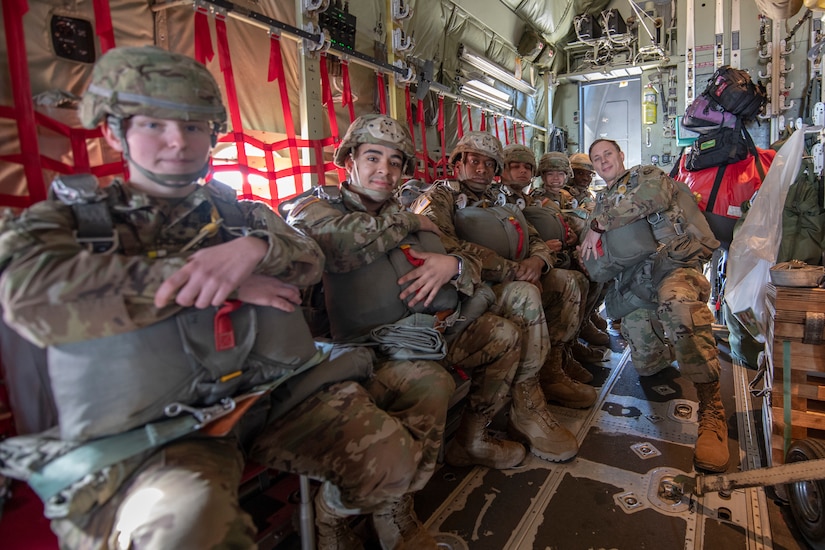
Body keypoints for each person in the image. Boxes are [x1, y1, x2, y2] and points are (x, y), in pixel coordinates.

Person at [0, 46, 428, 550]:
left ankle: (335, 521)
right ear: (115, 131)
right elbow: (28, 295)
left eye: (195, 126)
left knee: (393, 460)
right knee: (188, 528)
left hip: (266, 392)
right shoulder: (67, 222)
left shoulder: (238, 214)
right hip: (155, 429)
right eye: (154, 125)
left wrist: (253, 248)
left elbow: (308, 257)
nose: (178, 141)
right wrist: (213, 280)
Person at [286, 114, 526, 478]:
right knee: (430, 381)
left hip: (423, 333)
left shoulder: (401, 211)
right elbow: (338, 245)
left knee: (503, 334)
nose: (385, 169)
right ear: (349, 161)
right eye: (373, 158)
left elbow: (467, 262)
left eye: (394, 162)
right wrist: (409, 221)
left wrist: (454, 266)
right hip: (361, 350)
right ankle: (385, 510)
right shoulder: (314, 209)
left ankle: (471, 439)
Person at [411, 132, 582, 463]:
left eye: (489, 164)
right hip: (467, 293)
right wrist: (512, 270)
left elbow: (531, 235)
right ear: (457, 162)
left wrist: (539, 260)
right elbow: (443, 247)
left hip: (511, 277)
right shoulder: (440, 198)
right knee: (524, 296)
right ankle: (527, 406)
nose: (481, 169)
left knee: (565, 282)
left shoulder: (501, 196)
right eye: (473, 161)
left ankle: (552, 369)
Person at [581, 138, 728, 473]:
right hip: (637, 281)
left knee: (677, 307)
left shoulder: (645, 176)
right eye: (596, 158)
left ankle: (711, 409)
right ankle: (677, 343)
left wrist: (599, 225)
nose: (603, 161)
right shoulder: (599, 203)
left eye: (608, 154)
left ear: (621, 155)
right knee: (647, 366)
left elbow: (655, 197)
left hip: (673, 266)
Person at [495, 145, 599, 387]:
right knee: (569, 281)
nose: (522, 172)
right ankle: (540, 375)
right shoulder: (495, 199)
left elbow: (535, 234)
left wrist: (559, 243)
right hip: (507, 272)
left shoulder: (527, 199)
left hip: (534, 264)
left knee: (584, 276)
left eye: (526, 167)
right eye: (514, 166)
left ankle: (561, 354)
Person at [536, 153, 612, 361]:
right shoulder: (536, 197)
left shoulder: (564, 197)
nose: (555, 179)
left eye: (560, 174)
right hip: (551, 256)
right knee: (581, 280)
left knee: (600, 273)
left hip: (567, 250)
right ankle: (564, 347)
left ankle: (577, 332)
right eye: (550, 174)